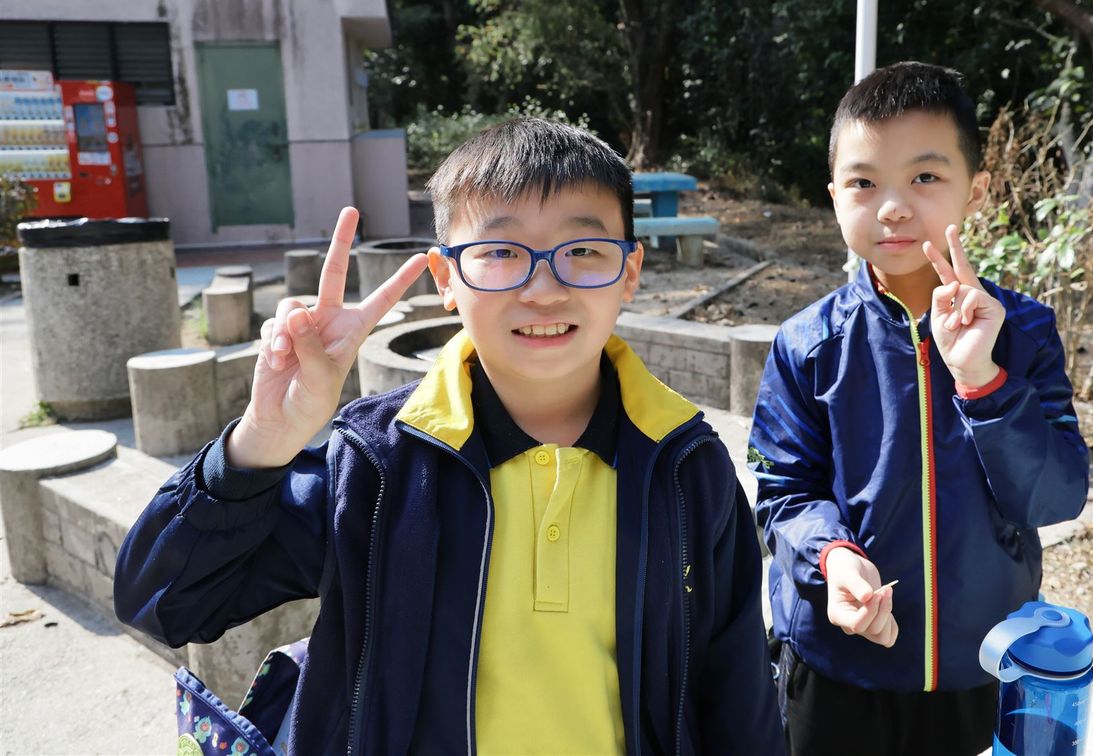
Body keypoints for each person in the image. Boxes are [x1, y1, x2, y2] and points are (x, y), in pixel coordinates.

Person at [115, 118, 782, 755]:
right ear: (446, 279)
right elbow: (161, 602)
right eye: (499, 253)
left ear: (629, 272)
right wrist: (262, 439)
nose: (543, 289)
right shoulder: (376, 466)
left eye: (582, 251)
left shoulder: (687, 468)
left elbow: (736, 695)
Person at [750, 62, 1089, 754]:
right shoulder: (807, 343)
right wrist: (832, 559)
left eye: (925, 177)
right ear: (834, 196)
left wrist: (983, 381)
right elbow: (784, 493)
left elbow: (1055, 498)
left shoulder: (1022, 333)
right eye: (864, 183)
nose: (893, 207)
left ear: (977, 190)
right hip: (836, 666)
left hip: (985, 663)